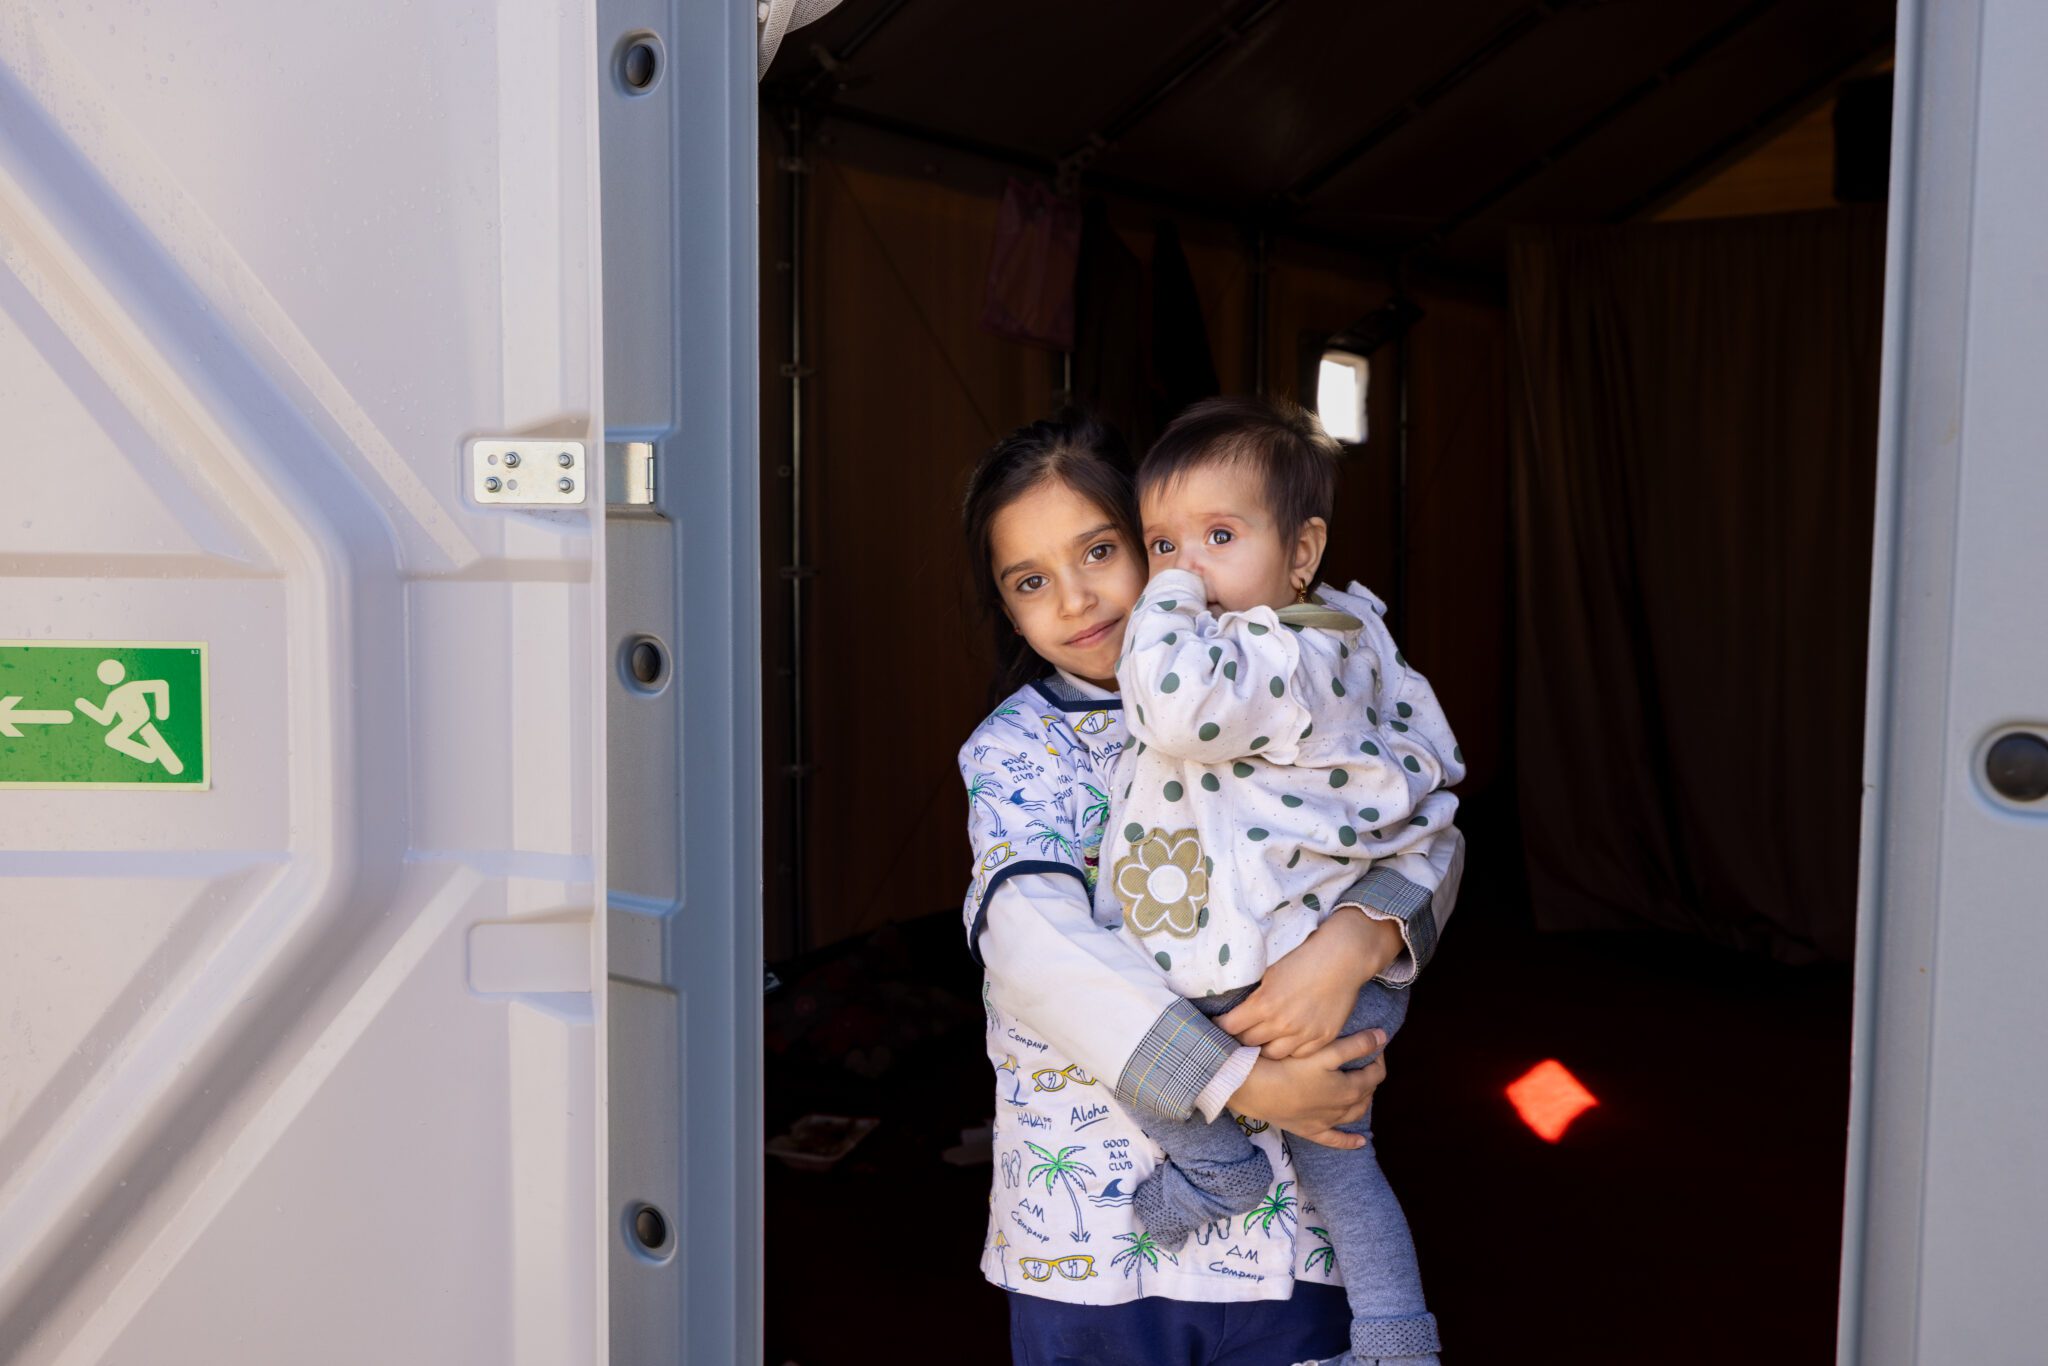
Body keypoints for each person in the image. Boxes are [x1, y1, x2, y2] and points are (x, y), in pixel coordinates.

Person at [956, 410, 1465, 1365]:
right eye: (1031, 582)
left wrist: (1359, 941)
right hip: (1096, 1235)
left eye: (1102, 550)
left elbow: (1423, 824)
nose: (1075, 600)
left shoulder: (1287, 683)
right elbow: (1035, 952)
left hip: (1290, 1225)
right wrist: (1249, 1082)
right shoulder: (1020, 750)